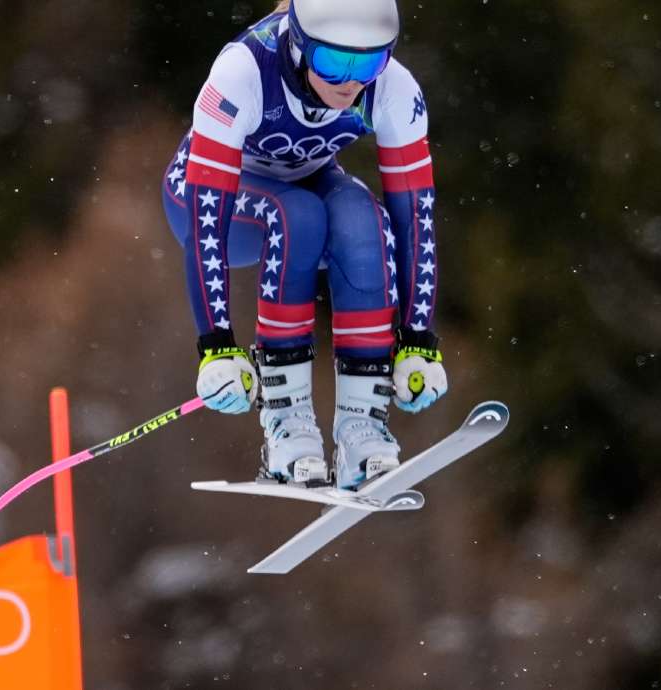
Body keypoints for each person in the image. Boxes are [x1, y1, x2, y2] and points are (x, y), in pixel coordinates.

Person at [162, 0, 447, 490]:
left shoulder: (395, 89)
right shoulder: (243, 71)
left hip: (307, 181)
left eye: (370, 62)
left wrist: (419, 342)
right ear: (299, 43)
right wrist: (217, 347)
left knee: (365, 220)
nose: (351, 81)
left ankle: (363, 428)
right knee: (298, 217)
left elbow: (415, 217)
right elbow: (207, 216)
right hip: (215, 206)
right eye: (334, 62)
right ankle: (287, 423)